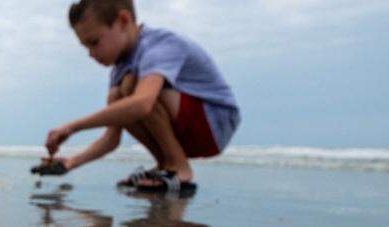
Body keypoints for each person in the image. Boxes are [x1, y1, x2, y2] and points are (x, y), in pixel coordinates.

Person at [34, 0, 240, 196]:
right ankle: (164, 165)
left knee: (131, 87)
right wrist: (71, 163)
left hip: (215, 122)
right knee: (118, 96)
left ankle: (178, 167)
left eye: (94, 43)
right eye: (86, 47)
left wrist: (73, 127)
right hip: (185, 127)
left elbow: (142, 104)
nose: (91, 54)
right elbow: (111, 138)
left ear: (123, 21)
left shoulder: (158, 45)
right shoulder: (120, 67)